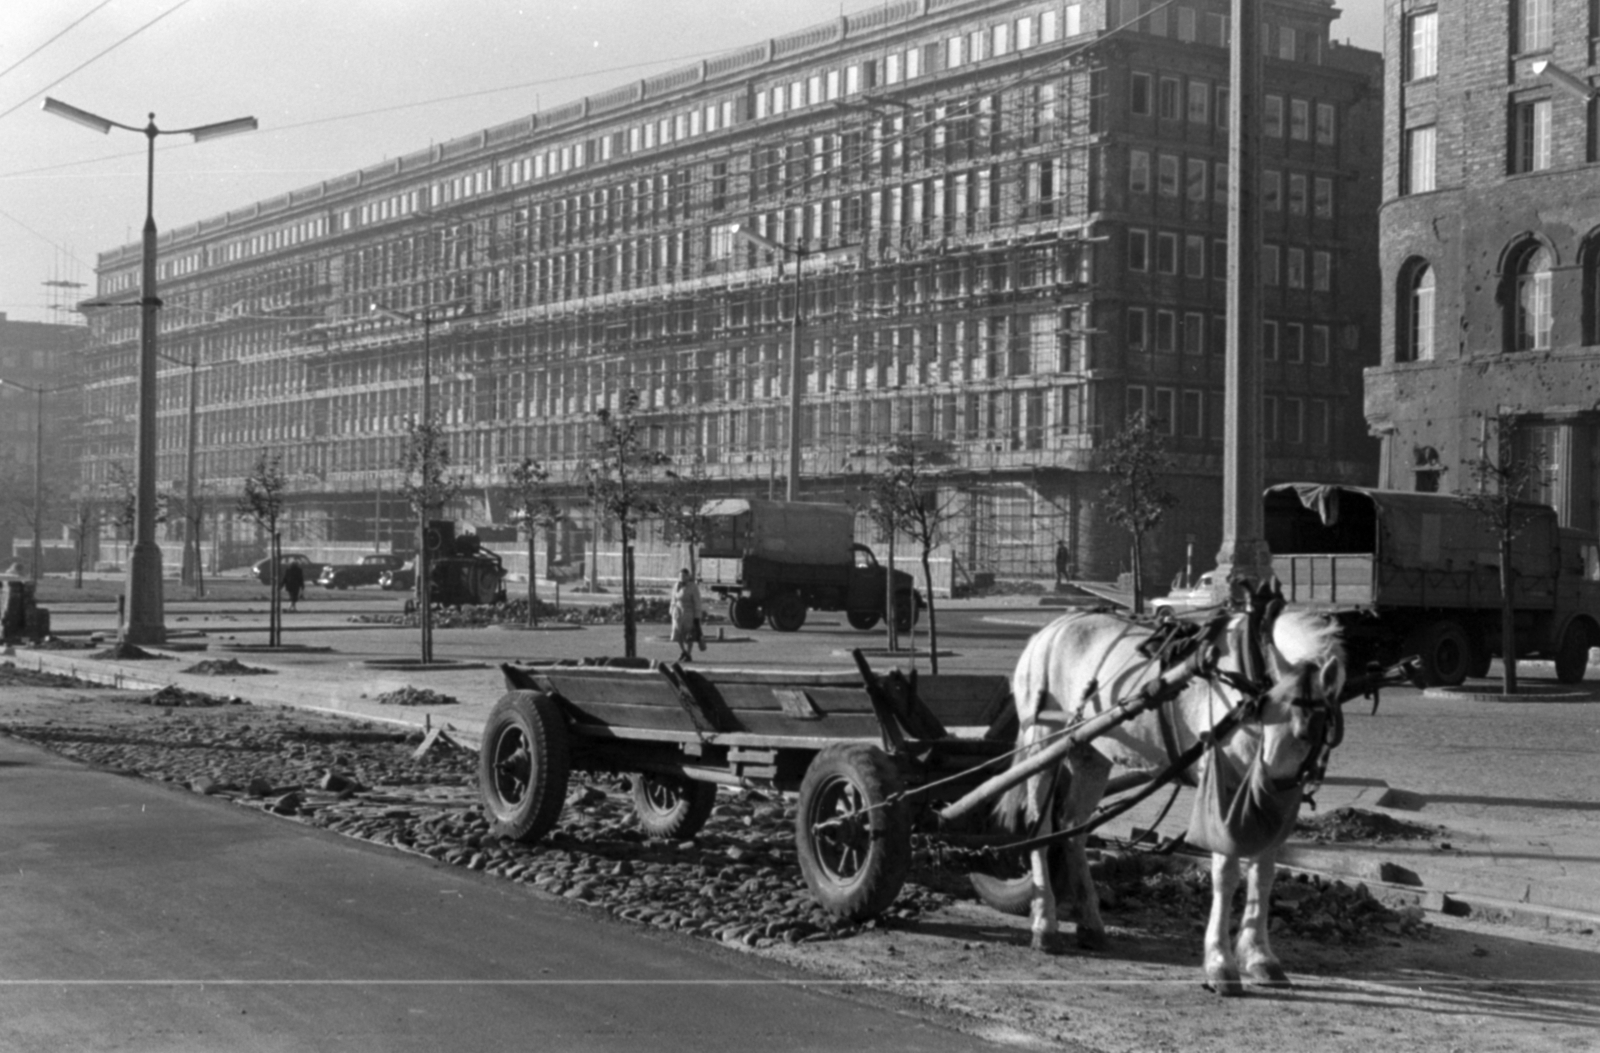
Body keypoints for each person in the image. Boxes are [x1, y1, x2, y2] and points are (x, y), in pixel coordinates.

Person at [669, 567, 703, 663]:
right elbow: (673, 598)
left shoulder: (693, 587)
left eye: (684, 575)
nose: (682, 577)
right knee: (677, 634)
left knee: (688, 635)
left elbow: (697, 602)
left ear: (688, 576)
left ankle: (688, 653)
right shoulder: (676, 586)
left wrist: (697, 616)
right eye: (680, 576)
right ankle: (683, 651)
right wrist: (671, 610)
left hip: (688, 613)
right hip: (677, 613)